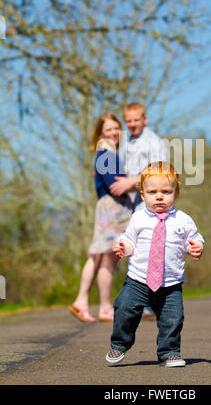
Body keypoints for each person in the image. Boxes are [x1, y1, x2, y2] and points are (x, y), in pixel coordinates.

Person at [105, 161, 205, 367]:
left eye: (166, 191)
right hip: (138, 279)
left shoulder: (183, 220)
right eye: (152, 192)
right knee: (124, 308)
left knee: (173, 318)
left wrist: (196, 246)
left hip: (170, 283)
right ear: (142, 195)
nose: (159, 196)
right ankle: (120, 343)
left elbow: (193, 239)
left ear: (176, 194)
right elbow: (130, 240)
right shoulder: (139, 218)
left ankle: (169, 353)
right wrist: (124, 248)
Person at [69, 113, 132, 323]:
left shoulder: (108, 154)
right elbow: (114, 185)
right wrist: (132, 181)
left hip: (111, 209)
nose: (114, 132)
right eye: (108, 129)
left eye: (116, 128)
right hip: (112, 209)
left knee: (102, 257)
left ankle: (94, 304)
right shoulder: (106, 153)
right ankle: (92, 304)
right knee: (103, 257)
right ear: (100, 134)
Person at [110, 102, 167, 319]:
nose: (133, 124)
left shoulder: (153, 142)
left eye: (137, 120)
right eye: (129, 121)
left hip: (151, 205)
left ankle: (154, 303)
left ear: (145, 119)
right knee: (137, 252)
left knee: (152, 251)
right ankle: (141, 302)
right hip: (134, 204)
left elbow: (156, 173)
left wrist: (129, 183)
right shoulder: (129, 142)